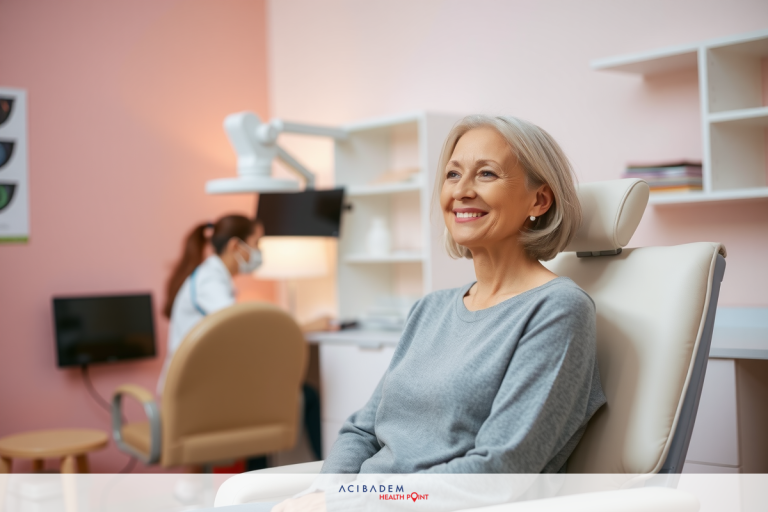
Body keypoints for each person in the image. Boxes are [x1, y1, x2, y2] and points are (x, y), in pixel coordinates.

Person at [275, 115, 607, 511]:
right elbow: (363, 429)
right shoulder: (430, 309)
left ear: (539, 200)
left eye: (486, 173)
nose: (462, 191)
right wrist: (322, 496)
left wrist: (352, 500)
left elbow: (500, 471)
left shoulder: (556, 310)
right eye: (452, 174)